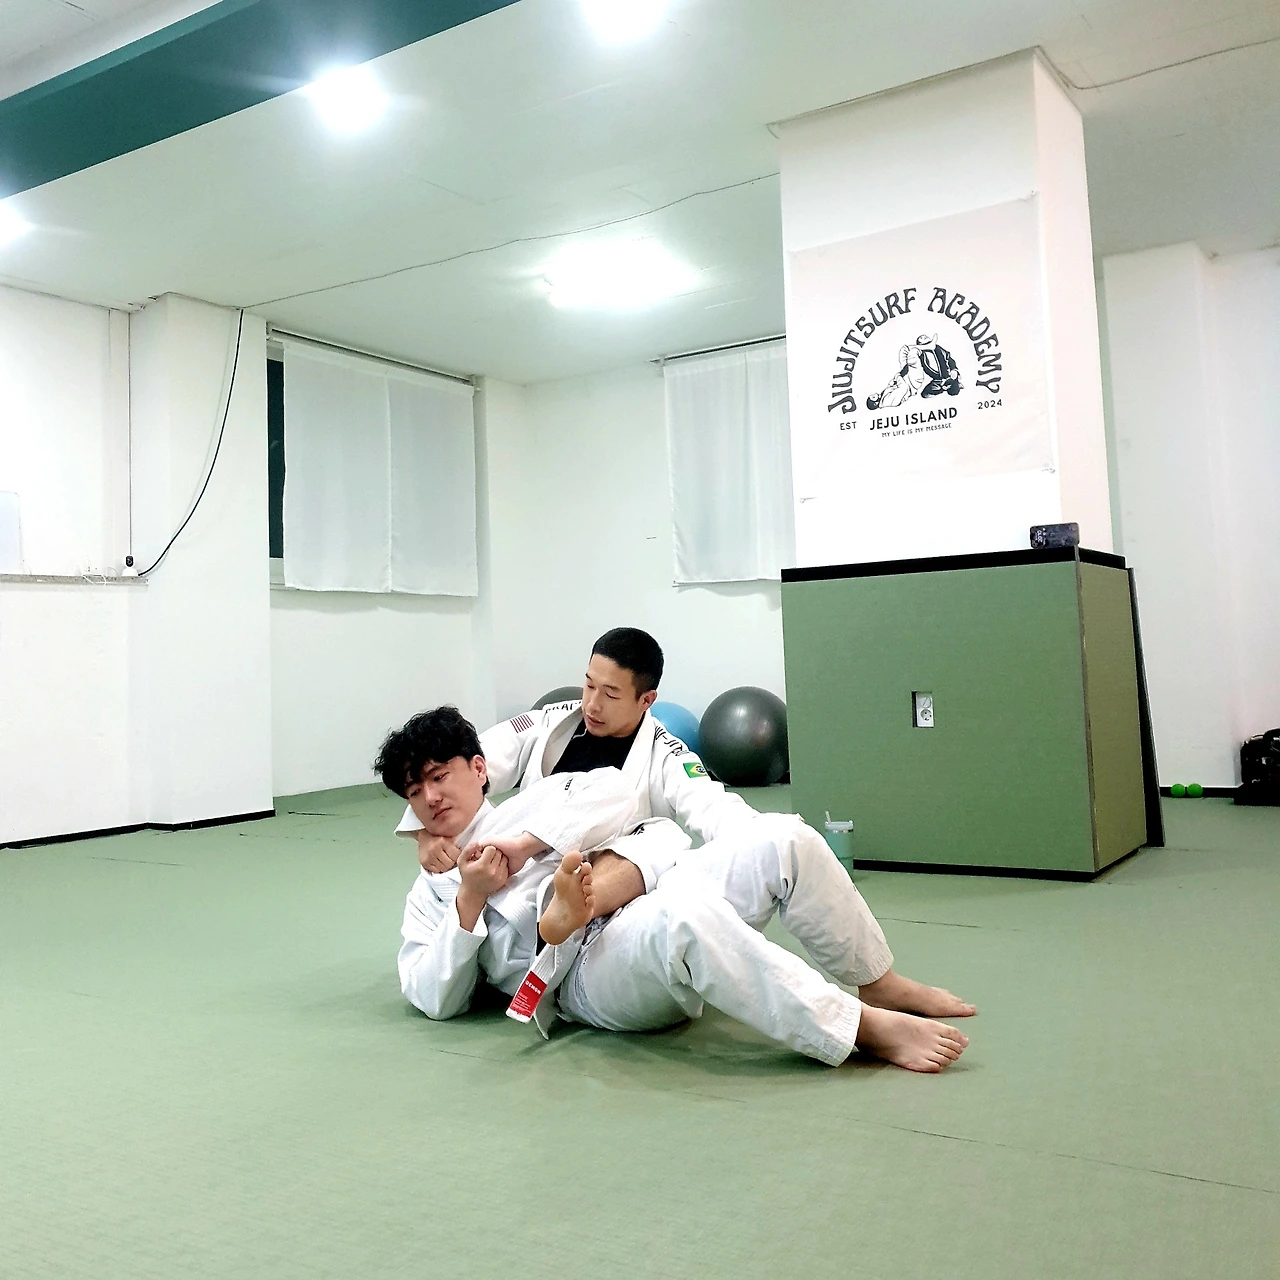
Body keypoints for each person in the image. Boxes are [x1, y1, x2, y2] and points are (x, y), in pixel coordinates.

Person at [380, 707, 974, 1073]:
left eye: (438, 776)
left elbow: (618, 792)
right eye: (414, 792)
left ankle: (876, 978)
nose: (430, 797)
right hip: (584, 972)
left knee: (785, 837)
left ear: (478, 768)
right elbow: (431, 996)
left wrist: (521, 846)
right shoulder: (429, 891)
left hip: (637, 893)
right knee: (683, 915)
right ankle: (859, 1027)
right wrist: (470, 900)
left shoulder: (536, 801)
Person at [395, 628, 760, 877]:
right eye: (588, 685)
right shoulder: (549, 722)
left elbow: (712, 806)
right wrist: (426, 834)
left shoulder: (667, 754)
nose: (592, 704)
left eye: (611, 694)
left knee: (668, 841)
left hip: (600, 885)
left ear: (646, 700)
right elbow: (457, 764)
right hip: (517, 872)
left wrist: (766, 839)